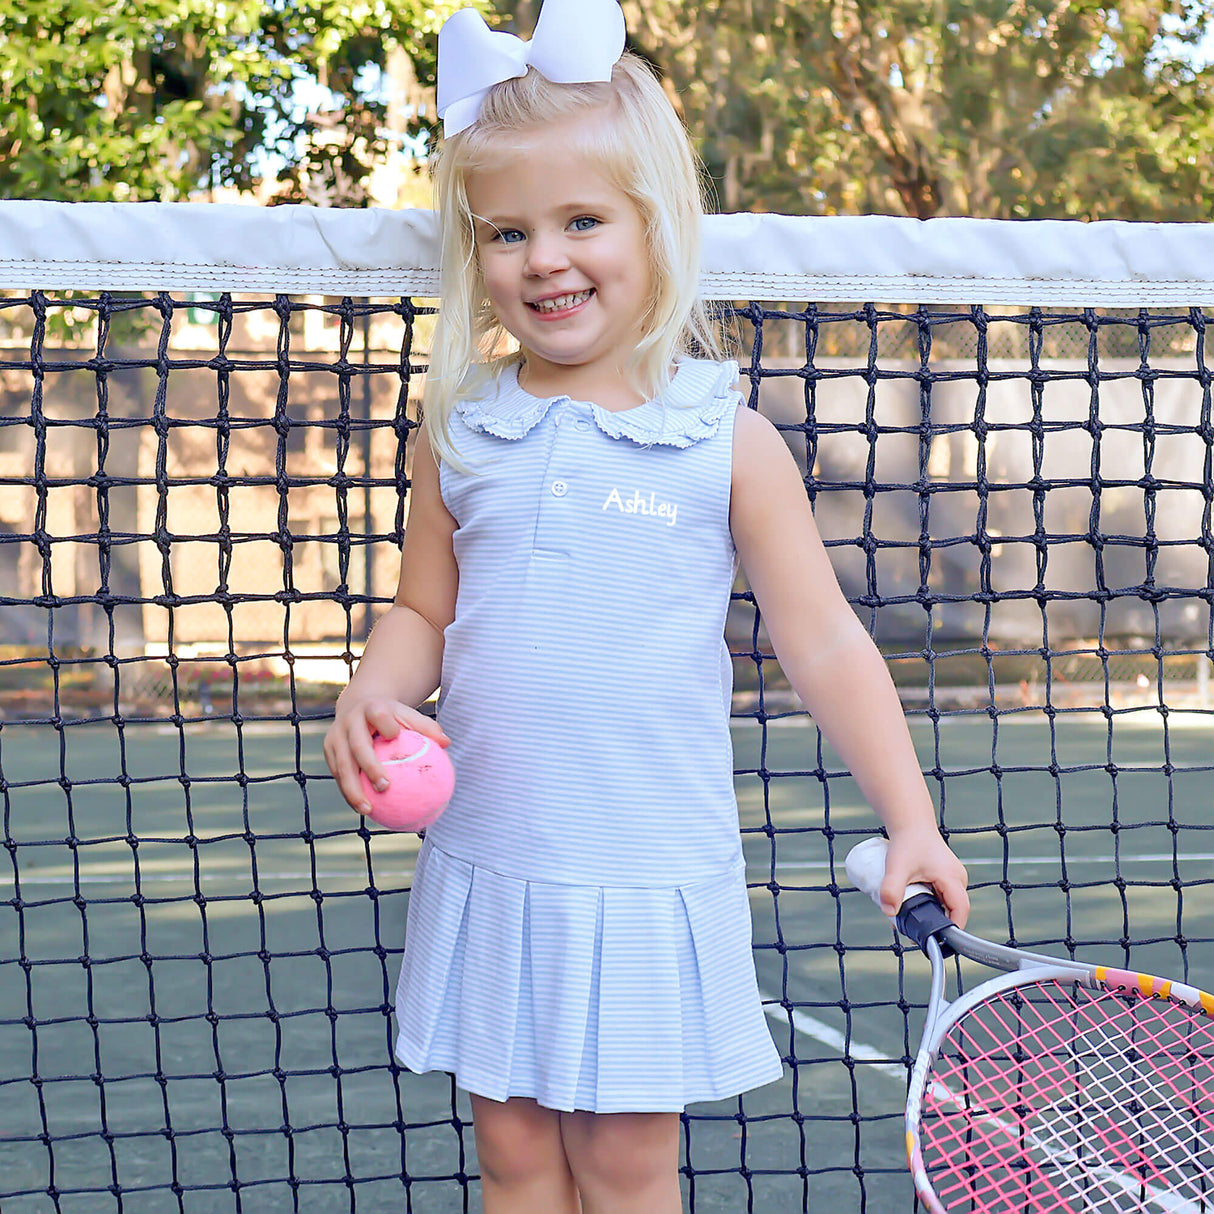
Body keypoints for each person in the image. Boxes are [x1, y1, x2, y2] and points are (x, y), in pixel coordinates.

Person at [322, 1, 970, 1210]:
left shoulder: (725, 440)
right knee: (512, 1158)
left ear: (653, 226)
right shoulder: (460, 431)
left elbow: (824, 643)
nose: (544, 258)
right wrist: (374, 685)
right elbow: (421, 609)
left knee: (623, 1167)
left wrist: (911, 815)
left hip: (641, 868)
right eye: (506, 231)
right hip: (492, 859)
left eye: (581, 221)